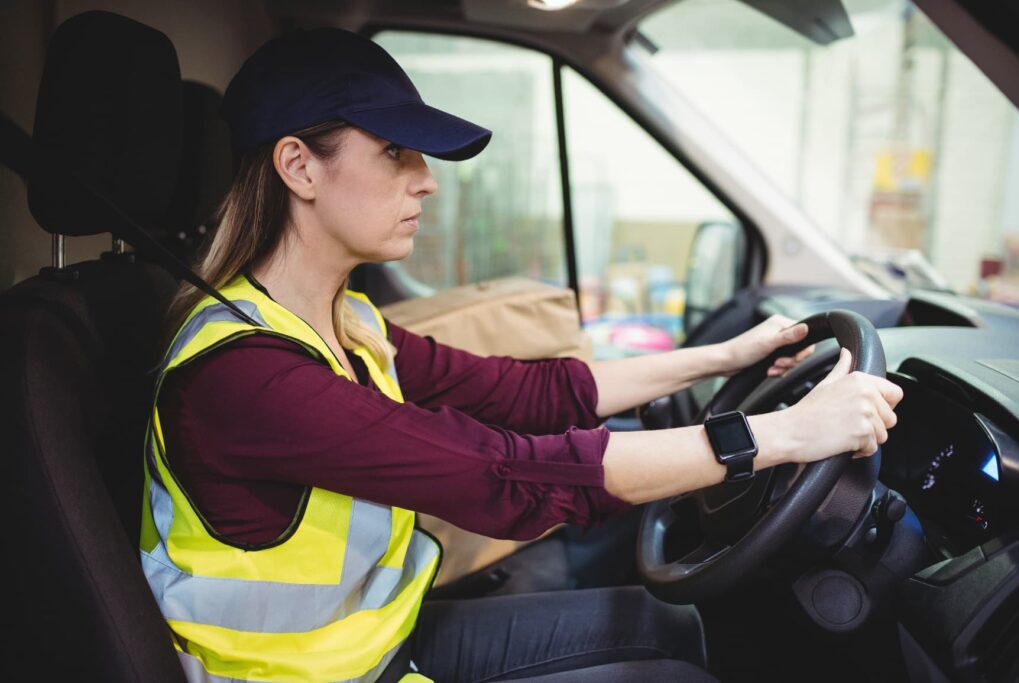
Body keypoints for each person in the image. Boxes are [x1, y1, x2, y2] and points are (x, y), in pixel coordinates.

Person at [139, 27, 904, 683]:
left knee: (667, 628)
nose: (426, 181)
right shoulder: (247, 376)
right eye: (396, 150)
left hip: (377, 643)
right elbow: (500, 473)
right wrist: (785, 436)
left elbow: (524, 394)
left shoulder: (343, 321)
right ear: (299, 166)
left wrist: (722, 356)